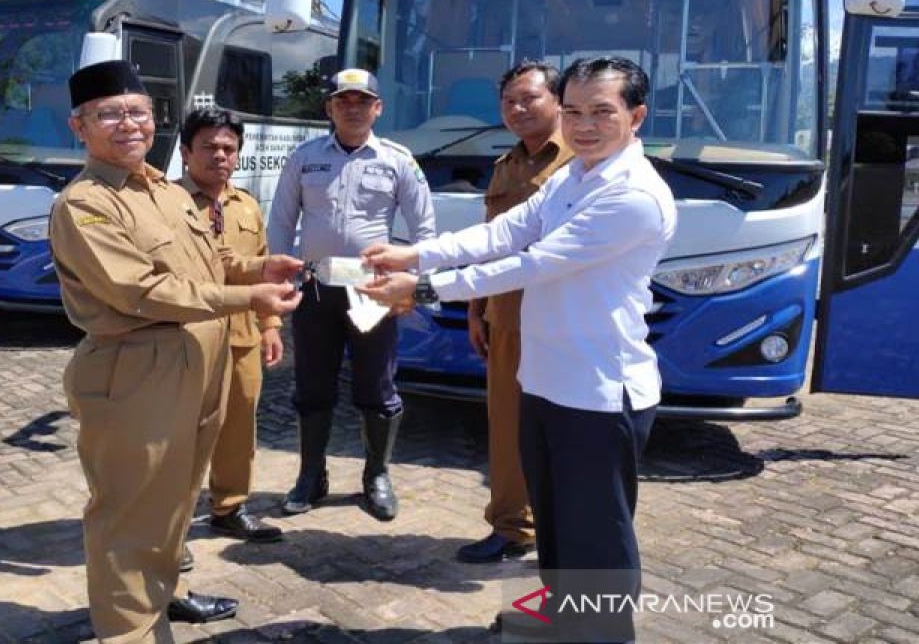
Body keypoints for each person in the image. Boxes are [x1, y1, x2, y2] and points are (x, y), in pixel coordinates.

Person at [360, 57, 676, 640]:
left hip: (600, 391)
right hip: (546, 379)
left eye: (601, 112)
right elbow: (507, 231)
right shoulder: (573, 175)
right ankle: (561, 617)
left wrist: (425, 288)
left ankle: (603, 634)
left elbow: (534, 264)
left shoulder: (634, 195)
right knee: (556, 524)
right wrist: (416, 254)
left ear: (636, 116)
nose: (583, 125)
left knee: (596, 537)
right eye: (575, 111)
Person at [48, 60, 302, 643]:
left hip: (197, 360)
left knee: (175, 506)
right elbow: (141, 290)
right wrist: (246, 293)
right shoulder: (87, 203)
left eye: (138, 112)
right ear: (79, 127)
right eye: (109, 114)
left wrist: (260, 266)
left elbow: (204, 264)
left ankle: (160, 602)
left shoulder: (162, 189)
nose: (130, 124)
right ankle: (129, 632)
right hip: (140, 369)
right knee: (131, 515)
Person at [268, 67, 436, 522]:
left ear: (377, 108)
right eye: (344, 100)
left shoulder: (398, 160)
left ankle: (376, 477)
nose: (353, 107)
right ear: (329, 108)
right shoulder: (304, 158)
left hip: (371, 292)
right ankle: (311, 475)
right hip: (317, 288)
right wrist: (282, 276)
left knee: (376, 385)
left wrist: (413, 284)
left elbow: (424, 229)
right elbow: (282, 220)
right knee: (312, 385)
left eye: (363, 100)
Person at [457, 61, 574, 565]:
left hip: (563, 322)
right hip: (506, 318)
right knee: (506, 430)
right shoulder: (505, 165)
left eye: (530, 98)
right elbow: (490, 244)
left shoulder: (582, 164)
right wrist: (476, 311)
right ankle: (511, 527)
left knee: (565, 434)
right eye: (509, 101)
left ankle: (566, 534)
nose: (518, 108)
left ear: (557, 101)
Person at [176, 107, 285, 543]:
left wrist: (271, 324)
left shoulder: (248, 206)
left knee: (239, 429)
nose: (220, 155)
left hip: (242, 337)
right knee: (183, 433)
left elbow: (263, 270)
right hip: (188, 337)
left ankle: (229, 507)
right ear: (186, 153)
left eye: (229, 148)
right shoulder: (170, 204)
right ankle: (172, 518)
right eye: (209, 147)